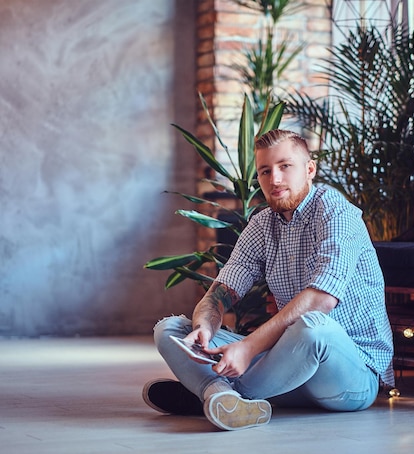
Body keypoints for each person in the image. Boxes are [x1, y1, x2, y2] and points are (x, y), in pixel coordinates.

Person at [142, 129, 394, 431]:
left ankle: (210, 392)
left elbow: (322, 298)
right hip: (290, 370)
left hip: (351, 376)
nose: (274, 179)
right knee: (169, 330)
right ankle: (223, 397)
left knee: (314, 328)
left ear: (309, 169)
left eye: (285, 166)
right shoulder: (262, 224)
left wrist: (248, 348)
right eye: (265, 171)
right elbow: (220, 292)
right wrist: (204, 328)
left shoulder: (336, 211)